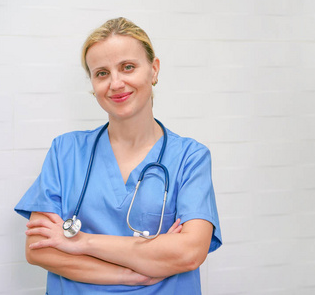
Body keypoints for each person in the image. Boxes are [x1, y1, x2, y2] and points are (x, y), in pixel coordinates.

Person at [14, 17, 222, 294]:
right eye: (101, 73)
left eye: (128, 67)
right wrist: (130, 274)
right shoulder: (66, 151)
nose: (116, 83)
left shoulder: (189, 157)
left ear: (154, 70)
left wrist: (80, 241)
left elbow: (189, 253)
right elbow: (39, 250)